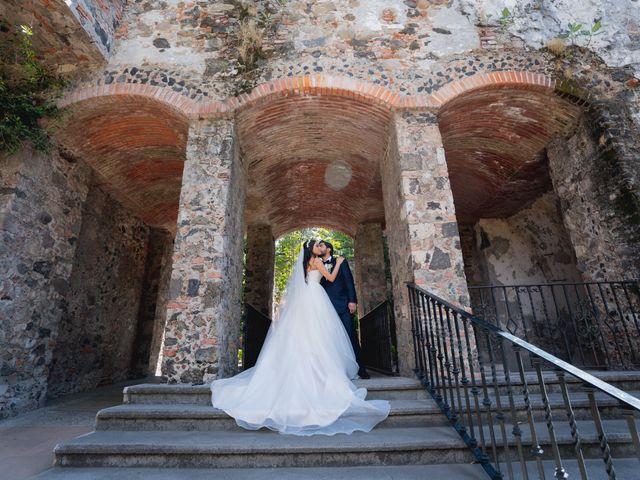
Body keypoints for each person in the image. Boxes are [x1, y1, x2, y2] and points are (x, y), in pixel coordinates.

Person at [210, 239, 390, 436]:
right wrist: (337, 264)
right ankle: (319, 373)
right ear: (312, 249)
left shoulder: (306, 264)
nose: (322, 248)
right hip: (316, 297)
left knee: (307, 335)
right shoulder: (318, 262)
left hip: (307, 297)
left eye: (323, 246)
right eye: (319, 246)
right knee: (319, 336)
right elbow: (330, 279)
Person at [317, 240, 370, 379]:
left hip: (342, 306)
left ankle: (361, 369)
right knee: (330, 340)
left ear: (328, 249)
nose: (319, 247)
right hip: (324, 307)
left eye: (321, 245)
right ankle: (336, 371)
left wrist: (352, 301)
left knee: (350, 336)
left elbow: (348, 281)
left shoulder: (341, 261)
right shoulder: (316, 264)